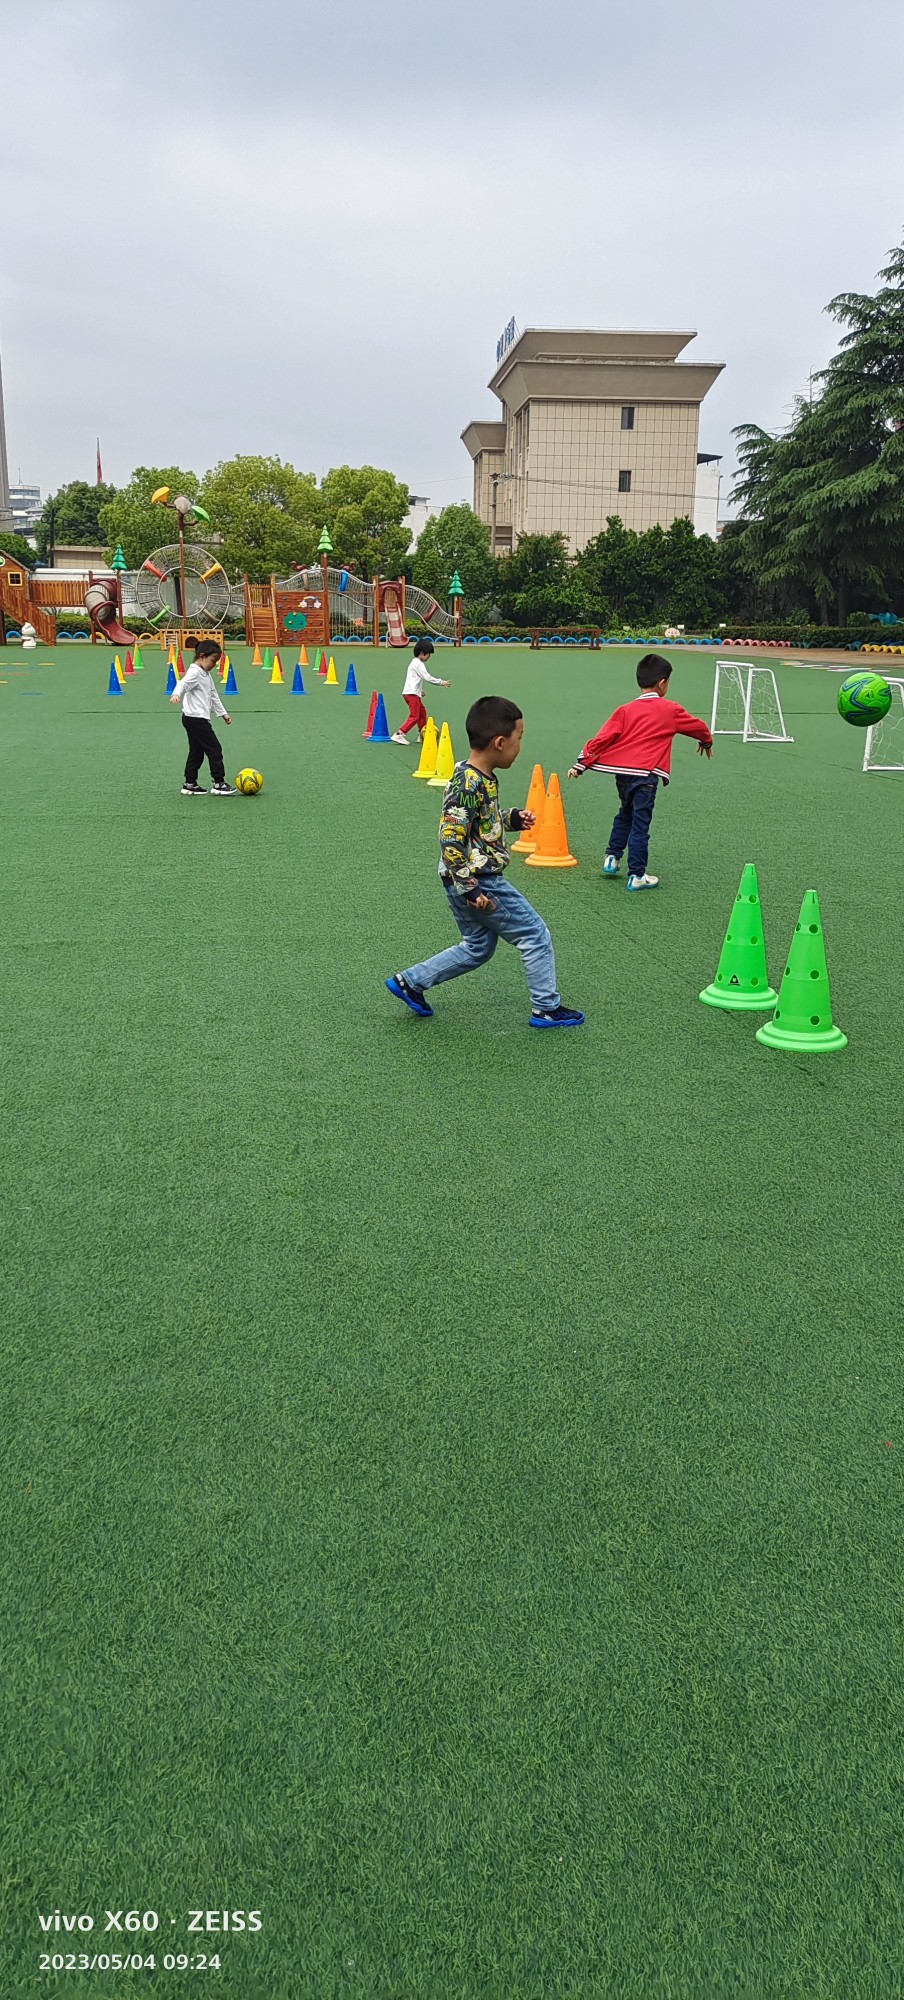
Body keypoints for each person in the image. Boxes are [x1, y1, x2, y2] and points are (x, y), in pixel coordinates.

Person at [386, 695, 585, 1029]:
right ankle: (546, 1007)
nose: (520, 746)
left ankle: (411, 982)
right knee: (535, 935)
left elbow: (480, 822)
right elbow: (450, 838)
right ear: (500, 742)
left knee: (478, 946)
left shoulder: (478, 775)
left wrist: (511, 818)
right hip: (479, 880)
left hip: (464, 878)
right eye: (519, 738)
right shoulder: (469, 782)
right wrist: (470, 888)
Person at [568, 654, 712, 889]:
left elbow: (604, 737)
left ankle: (612, 857)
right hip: (646, 776)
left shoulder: (624, 710)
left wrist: (582, 763)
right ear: (662, 683)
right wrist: (706, 741)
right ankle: (637, 875)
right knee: (640, 824)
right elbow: (698, 726)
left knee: (625, 813)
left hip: (623, 775)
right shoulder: (670, 709)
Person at [169, 638, 236, 795]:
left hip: (193, 718)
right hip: (195, 719)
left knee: (196, 751)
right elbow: (182, 684)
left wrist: (223, 713)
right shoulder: (195, 672)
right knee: (214, 748)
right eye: (213, 660)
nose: (214, 664)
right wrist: (176, 694)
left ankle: (190, 783)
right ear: (202, 656)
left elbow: (213, 694)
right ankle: (219, 783)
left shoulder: (205, 674)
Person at [391, 636, 450, 746]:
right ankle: (399, 733)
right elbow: (427, 677)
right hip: (412, 695)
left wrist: (419, 691)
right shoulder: (419, 664)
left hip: (412, 693)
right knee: (415, 716)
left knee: (422, 713)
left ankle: (422, 735)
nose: (429, 657)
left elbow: (413, 680)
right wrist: (441, 682)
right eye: (429, 654)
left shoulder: (414, 663)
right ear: (422, 653)